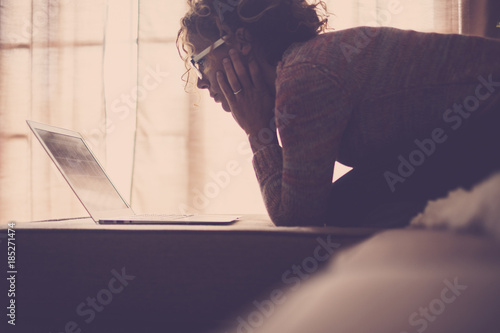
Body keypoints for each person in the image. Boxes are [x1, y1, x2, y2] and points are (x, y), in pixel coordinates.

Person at [177, 0, 500, 227]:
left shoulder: (304, 74)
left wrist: (258, 131)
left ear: (243, 40)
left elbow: (297, 216)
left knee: (351, 205)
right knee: (353, 201)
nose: (202, 81)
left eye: (200, 60)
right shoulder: (304, 68)